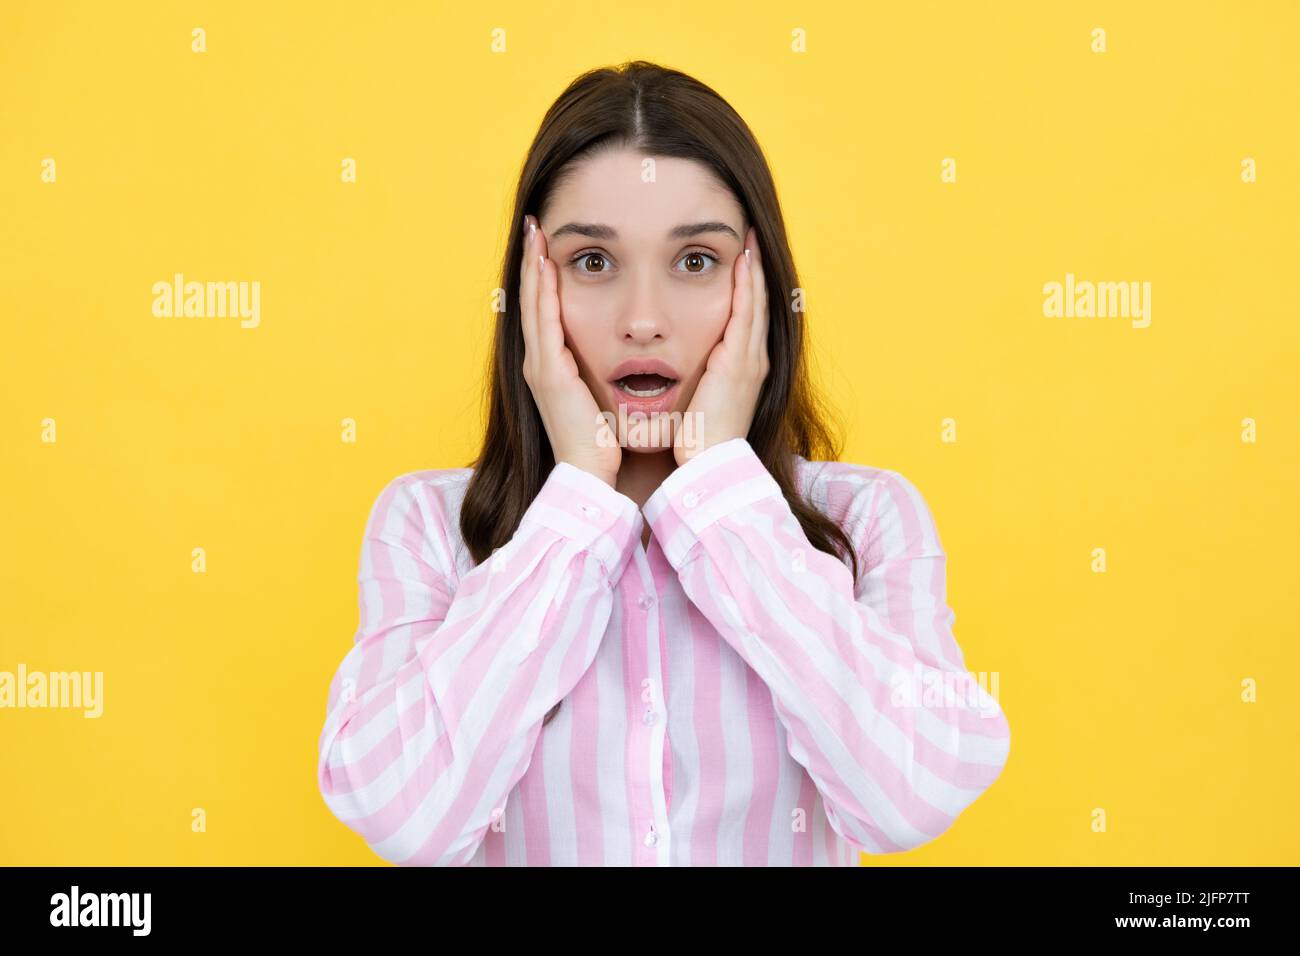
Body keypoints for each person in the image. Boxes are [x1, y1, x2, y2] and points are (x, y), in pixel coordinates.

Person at [316, 60, 1011, 866]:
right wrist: (577, 496)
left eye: (695, 262)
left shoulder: (866, 520)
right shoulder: (427, 527)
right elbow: (406, 821)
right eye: (593, 263)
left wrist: (720, 489)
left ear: (758, 286)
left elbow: (911, 800)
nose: (642, 321)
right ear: (531, 292)